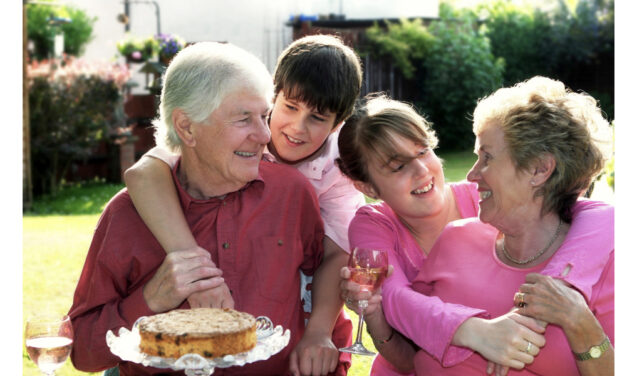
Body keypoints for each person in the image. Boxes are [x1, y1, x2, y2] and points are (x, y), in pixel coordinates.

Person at [69, 41, 327, 375]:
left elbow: (318, 294)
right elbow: (82, 353)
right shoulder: (125, 215)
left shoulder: (293, 195)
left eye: (264, 116)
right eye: (243, 119)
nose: (264, 135)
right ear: (187, 127)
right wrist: (151, 299)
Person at [123, 34, 365, 375]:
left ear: (337, 124)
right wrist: (195, 268)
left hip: (301, 309)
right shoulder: (238, 131)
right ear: (272, 96)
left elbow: (337, 251)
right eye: (290, 107)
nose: (297, 128)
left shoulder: (338, 166)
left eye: (317, 118)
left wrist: (318, 332)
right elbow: (144, 172)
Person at [335, 90, 613, 375]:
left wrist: (558, 290)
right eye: (398, 167)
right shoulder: (435, 233)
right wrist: (476, 331)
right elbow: (402, 323)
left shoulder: (492, 201)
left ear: (539, 170)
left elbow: (601, 215)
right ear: (367, 188)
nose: (422, 171)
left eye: (423, 151)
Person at [411, 76, 613, 375]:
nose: (471, 175)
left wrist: (577, 320)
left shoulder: (606, 265)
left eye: (487, 158)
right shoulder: (455, 239)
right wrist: (376, 313)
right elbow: (406, 353)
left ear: (539, 169)